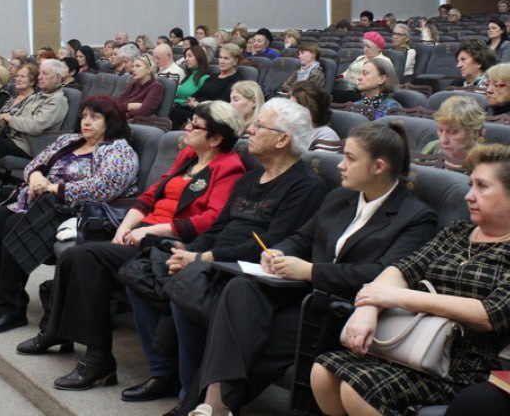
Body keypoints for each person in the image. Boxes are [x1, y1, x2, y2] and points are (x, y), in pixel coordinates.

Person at [191, 121, 437, 416]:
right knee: (240, 288)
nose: (341, 166)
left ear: (379, 166)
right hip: (301, 295)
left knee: (250, 335)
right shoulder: (340, 197)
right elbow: (302, 238)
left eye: (350, 158)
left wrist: (309, 271)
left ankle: (212, 405)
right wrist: (280, 253)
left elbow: (382, 274)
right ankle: (215, 406)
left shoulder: (417, 216)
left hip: (343, 310)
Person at [15, 101, 247, 391]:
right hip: (143, 232)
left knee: (85, 256)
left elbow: (210, 220)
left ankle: (96, 358)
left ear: (215, 138)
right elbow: (150, 195)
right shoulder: (189, 154)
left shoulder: (229, 168)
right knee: (77, 255)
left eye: (194, 125)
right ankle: (61, 334)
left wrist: (151, 230)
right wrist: (126, 226)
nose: (185, 128)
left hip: (172, 243)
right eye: (189, 121)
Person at [123, 99, 327, 405]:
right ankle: (163, 372)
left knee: (186, 289)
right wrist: (188, 251)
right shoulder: (249, 179)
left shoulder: (306, 186)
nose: (251, 132)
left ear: (283, 139)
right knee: (139, 271)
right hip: (210, 258)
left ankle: (190, 396)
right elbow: (219, 227)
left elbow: (272, 241)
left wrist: (201, 258)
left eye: (260, 127)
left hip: (244, 271)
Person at [311, 143, 510, 416]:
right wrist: (368, 309)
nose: (468, 196)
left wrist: (399, 297)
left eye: (482, 187)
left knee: (357, 389)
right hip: (411, 345)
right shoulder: (456, 233)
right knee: (322, 371)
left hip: (465, 364)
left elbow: (490, 314)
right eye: (470, 184)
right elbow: (402, 270)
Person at [0, 96, 140, 334]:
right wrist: (36, 176)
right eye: (84, 115)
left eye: (95, 117)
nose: (86, 122)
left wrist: (55, 188)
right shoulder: (69, 140)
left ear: (111, 121)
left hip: (75, 211)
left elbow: (103, 188)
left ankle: (10, 308)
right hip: (39, 203)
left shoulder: (119, 151)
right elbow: (34, 163)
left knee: (15, 225)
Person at [0, 59, 68, 206]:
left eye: (45, 74)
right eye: (40, 73)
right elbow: (19, 117)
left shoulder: (57, 100)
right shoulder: (37, 96)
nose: (40, 77)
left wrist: (10, 119)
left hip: (29, 144)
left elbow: (35, 125)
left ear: (58, 78)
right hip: (13, 137)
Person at [421, 96, 485, 172]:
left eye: (453, 132)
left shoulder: (487, 163)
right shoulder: (433, 147)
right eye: (440, 130)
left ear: (475, 132)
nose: (443, 140)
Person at [170, 46, 211, 129]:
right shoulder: (188, 76)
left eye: (190, 56)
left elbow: (198, 101)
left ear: (199, 57)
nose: (186, 59)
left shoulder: (204, 78)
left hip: (189, 112)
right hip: (177, 108)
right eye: (185, 56)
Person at [290, 80, 340, 148]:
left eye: (295, 108)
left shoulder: (327, 136)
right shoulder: (291, 129)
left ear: (312, 111)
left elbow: (317, 158)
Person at [114, 54, 164, 119]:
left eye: (138, 66)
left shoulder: (156, 87)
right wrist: (129, 106)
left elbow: (145, 111)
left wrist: (125, 113)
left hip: (136, 123)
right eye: (133, 66)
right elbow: (116, 103)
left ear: (149, 70)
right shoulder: (134, 85)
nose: (133, 69)